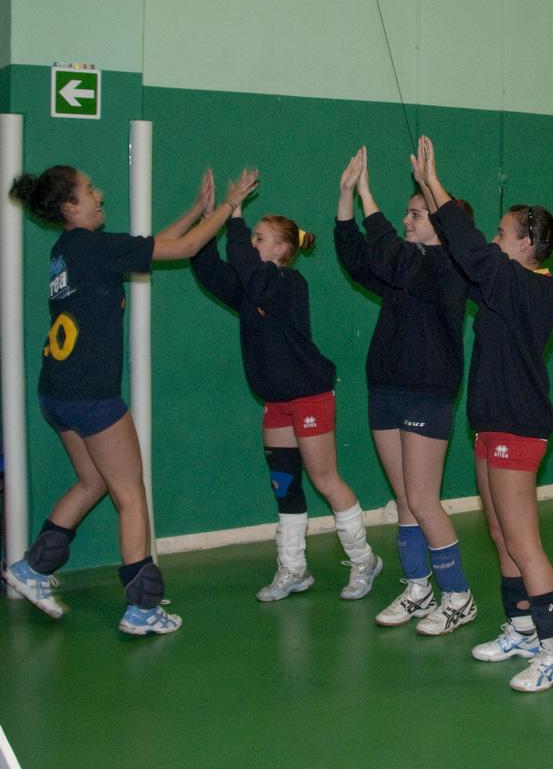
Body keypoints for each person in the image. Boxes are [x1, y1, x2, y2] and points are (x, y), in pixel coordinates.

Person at [6, 165, 256, 634]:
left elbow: (153, 244)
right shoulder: (92, 248)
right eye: (89, 190)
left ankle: (31, 568)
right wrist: (230, 203)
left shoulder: (69, 250)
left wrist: (194, 212)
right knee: (130, 494)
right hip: (91, 396)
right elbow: (179, 250)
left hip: (56, 392)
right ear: (69, 207)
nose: (99, 194)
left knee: (91, 482)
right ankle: (142, 606)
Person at [410, 135, 553, 692]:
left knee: (524, 540)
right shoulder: (507, 285)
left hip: (518, 427)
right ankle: (522, 628)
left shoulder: (529, 288)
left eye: (502, 234)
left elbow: (469, 248)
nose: (492, 240)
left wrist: (435, 187)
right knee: (502, 533)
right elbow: (466, 256)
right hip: (490, 425)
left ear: (527, 245)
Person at [189, 178, 381, 602]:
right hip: (276, 402)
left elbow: (251, 276)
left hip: (309, 395)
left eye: (259, 238)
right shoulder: (249, 286)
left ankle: (364, 559)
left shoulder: (287, 285)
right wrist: (210, 219)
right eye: (251, 236)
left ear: (280, 250)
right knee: (285, 484)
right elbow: (207, 269)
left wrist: (235, 217)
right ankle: (293, 569)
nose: (249, 242)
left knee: (325, 478)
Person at [334, 146, 476, 633]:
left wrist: (369, 192)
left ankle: (458, 595)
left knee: (422, 497)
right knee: (403, 497)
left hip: (427, 392)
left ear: (441, 223)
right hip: (386, 387)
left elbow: (389, 250)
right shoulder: (405, 265)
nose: (406, 219)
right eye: (407, 213)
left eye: (416, 213)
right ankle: (418, 588)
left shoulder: (449, 270)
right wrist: (345, 197)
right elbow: (358, 260)